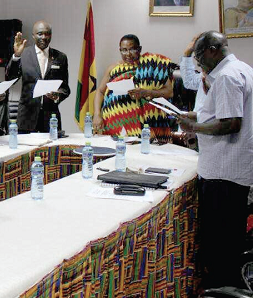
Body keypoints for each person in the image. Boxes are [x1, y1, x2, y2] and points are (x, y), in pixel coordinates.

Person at [178, 31, 253, 289]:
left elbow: (231, 123)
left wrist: (194, 127)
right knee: (229, 237)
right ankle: (227, 284)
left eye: (199, 56)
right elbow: (219, 111)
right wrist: (196, 115)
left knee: (220, 242)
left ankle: (222, 288)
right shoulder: (242, 68)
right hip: (232, 170)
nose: (198, 63)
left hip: (223, 172)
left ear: (212, 49)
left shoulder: (227, 77)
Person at [93, 34, 174, 142]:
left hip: (146, 126)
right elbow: (100, 92)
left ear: (139, 49)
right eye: (124, 50)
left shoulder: (152, 65)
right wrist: (97, 115)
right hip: (116, 124)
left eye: (132, 49)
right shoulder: (113, 68)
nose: (128, 54)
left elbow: (169, 92)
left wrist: (146, 92)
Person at [6, 20, 70, 133]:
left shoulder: (61, 57)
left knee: (50, 150)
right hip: (26, 118)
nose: (44, 37)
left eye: (47, 33)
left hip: (51, 118)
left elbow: (65, 88)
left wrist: (58, 95)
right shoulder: (24, 54)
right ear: (33, 35)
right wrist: (16, 56)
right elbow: (10, 79)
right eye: (40, 34)